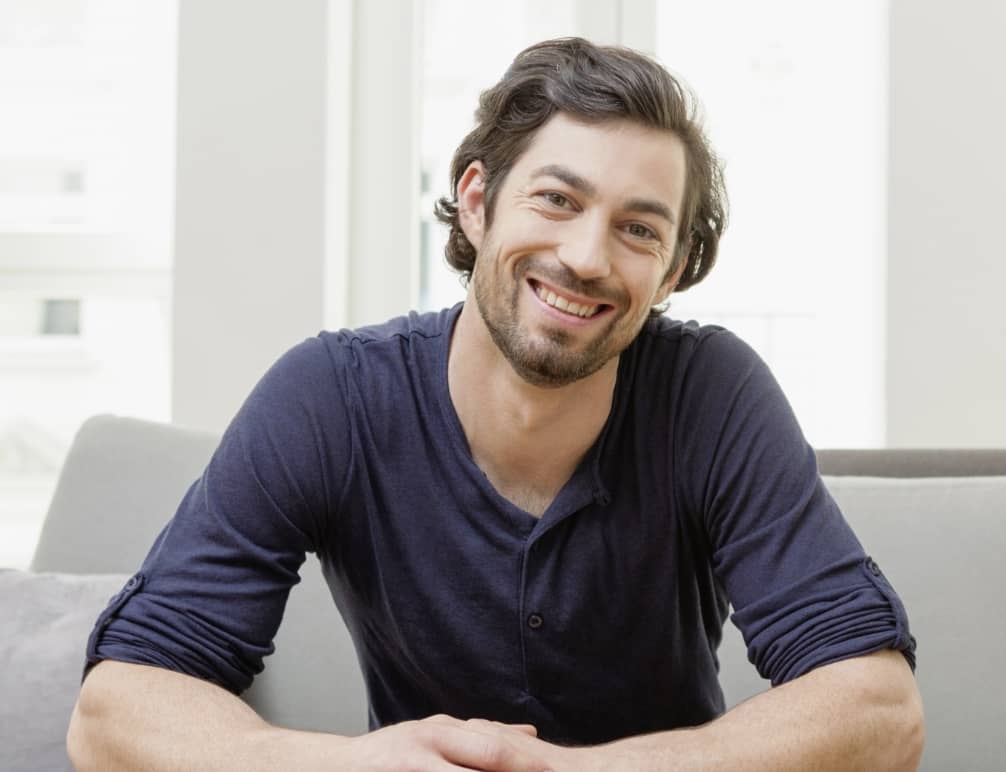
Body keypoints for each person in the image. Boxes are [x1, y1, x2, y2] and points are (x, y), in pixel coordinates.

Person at [66, 37, 922, 772]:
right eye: (557, 199)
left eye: (639, 229)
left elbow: (881, 714)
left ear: (671, 273)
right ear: (476, 202)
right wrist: (346, 763)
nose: (586, 257)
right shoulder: (332, 395)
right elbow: (114, 713)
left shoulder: (712, 394)